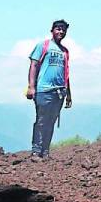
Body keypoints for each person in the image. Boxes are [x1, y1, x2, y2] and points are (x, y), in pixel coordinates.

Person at [26, 19, 73, 158]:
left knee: (51, 122)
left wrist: (69, 94)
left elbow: (66, 73)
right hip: (44, 90)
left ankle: (45, 151)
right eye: (58, 29)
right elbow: (33, 65)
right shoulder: (43, 45)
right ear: (52, 30)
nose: (61, 31)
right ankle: (36, 150)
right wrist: (31, 87)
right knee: (41, 120)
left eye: (63, 29)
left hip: (59, 92)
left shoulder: (65, 51)